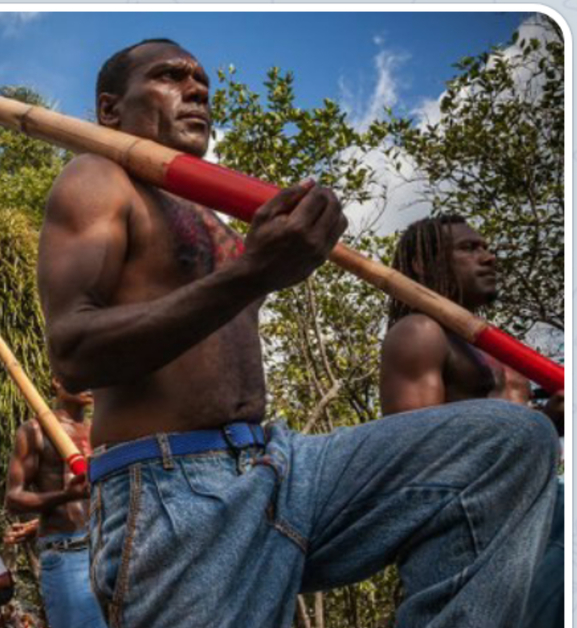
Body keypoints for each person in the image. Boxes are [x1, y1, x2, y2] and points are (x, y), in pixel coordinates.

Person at [36, 37, 558, 627]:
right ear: (111, 109)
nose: (197, 91)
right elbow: (74, 351)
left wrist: (267, 258)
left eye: (203, 83)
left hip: (279, 464)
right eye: (170, 77)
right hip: (170, 490)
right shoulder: (98, 180)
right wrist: (255, 271)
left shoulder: (220, 222)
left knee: (506, 441)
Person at [381, 215, 564, 628]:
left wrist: (548, 420)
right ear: (423, 265)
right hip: (473, 527)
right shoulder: (420, 333)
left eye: (486, 247)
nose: (489, 257)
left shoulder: (505, 354)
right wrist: (542, 424)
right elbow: (416, 460)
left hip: (534, 506)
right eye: (468, 249)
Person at [4, 379, 104, 628]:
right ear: (57, 380)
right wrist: (65, 496)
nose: (88, 381)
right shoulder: (35, 431)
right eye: (79, 374)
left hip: (107, 547)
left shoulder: (99, 430)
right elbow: (13, 499)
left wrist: (35, 524)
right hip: (67, 554)